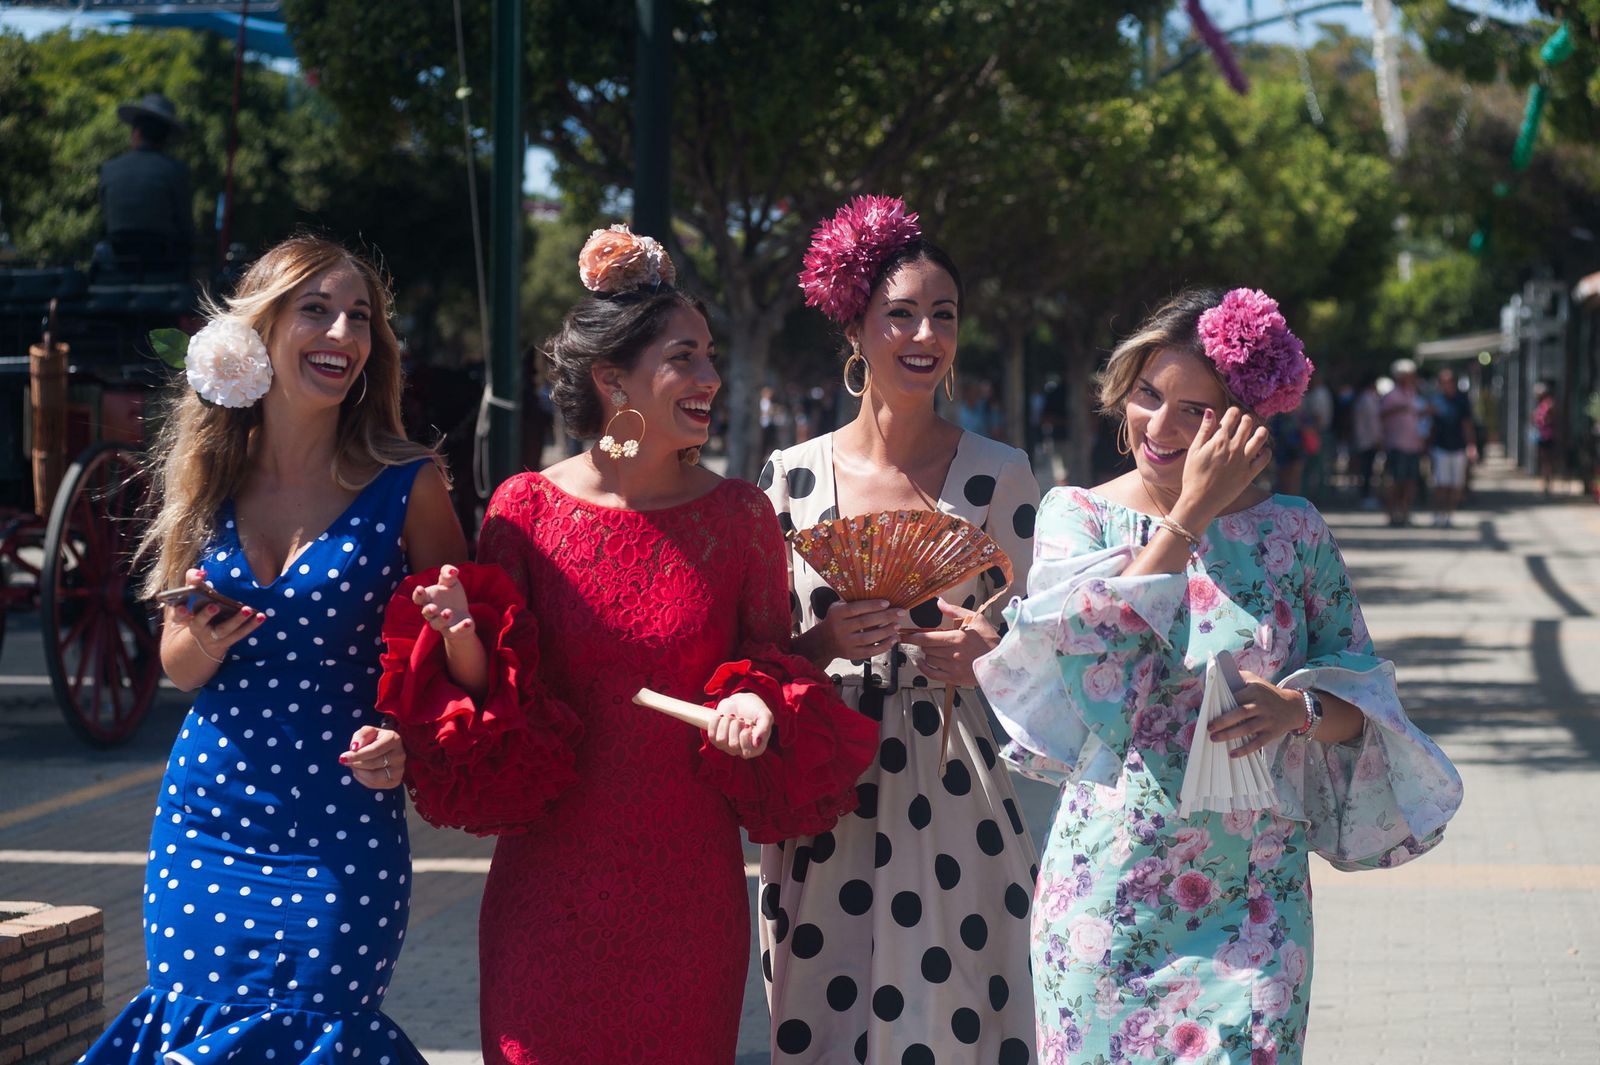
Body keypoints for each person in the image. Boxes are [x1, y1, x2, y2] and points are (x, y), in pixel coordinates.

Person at [382, 224, 875, 1063]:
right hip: (547, 891)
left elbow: (763, 671)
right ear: (614, 381)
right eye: (686, 357)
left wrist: (760, 698)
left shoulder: (740, 519)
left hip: (688, 896)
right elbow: (499, 702)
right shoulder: (523, 510)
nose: (712, 378)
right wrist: (462, 644)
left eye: (711, 355)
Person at [975, 287, 1462, 1063]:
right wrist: (1190, 514)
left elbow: (1366, 706)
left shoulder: (1293, 530)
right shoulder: (1077, 517)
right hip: (1108, 900)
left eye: (1195, 411)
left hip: (1257, 906)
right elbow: (1088, 663)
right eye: (1147, 395)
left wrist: (1296, 710)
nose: (1161, 429)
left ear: (1243, 424)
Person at [81, 236, 465, 1063]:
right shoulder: (210, 473)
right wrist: (198, 639)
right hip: (206, 819)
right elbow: (177, 668)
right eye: (316, 309)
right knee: (195, 1025)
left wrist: (410, 736)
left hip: (341, 830)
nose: (342, 333)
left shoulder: (409, 483)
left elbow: (463, 656)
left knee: (318, 1028)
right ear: (261, 329)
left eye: (359, 317)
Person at [759, 196, 1041, 1064]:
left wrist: (989, 659)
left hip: (958, 781)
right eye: (901, 313)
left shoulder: (1003, 475)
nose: (925, 333)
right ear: (857, 327)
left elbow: (1052, 650)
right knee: (821, 1019)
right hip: (824, 782)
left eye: (943, 315)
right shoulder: (791, 477)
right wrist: (825, 644)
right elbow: (757, 655)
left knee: (954, 1018)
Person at [98, 93, 193, 274]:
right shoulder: (176, 171)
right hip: (162, 264)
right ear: (165, 139)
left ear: (137, 133)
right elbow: (185, 227)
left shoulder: (108, 169)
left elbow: (106, 223)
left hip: (117, 264)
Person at [1428, 368, 1476, 527]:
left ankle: (1449, 515)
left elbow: (1467, 425)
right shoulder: (1435, 401)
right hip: (1440, 448)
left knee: (1456, 485)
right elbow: (1429, 426)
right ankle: (1437, 514)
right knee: (1441, 484)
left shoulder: (1462, 401)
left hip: (1458, 447)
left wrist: (1471, 446)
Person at [1380, 357, 1424, 526]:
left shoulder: (1414, 394)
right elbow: (1382, 415)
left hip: (1413, 444)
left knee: (1410, 481)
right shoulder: (1391, 396)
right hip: (1396, 444)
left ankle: (1405, 513)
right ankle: (1393, 513)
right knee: (1395, 481)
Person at [1350, 372, 1383, 509]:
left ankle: (1366, 496)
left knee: (1366, 469)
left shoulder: (1363, 398)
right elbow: (1372, 422)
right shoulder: (1368, 399)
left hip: (1364, 439)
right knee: (1367, 470)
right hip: (1368, 440)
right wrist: (1377, 438)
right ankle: (1366, 497)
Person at [1533, 382, 1558, 495]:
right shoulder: (1540, 405)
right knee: (1543, 460)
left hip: (1548, 435)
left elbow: (1551, 418)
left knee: (1547, 461)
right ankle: (1545, 483)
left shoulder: (1549, 404)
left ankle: (1548, 483)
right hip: (1541, 435)